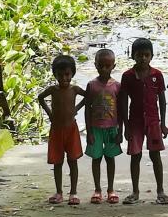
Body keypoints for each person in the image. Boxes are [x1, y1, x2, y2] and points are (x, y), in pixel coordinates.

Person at [119, 38, 168, 205]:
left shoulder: (157, 75)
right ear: (133, 56)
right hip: (135, 122)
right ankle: (135, 191)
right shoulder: (127, 76)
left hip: (153, 121)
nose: (143, 58)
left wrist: (163, 123)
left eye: (146, 55)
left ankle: (161, 190)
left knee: (155, 155)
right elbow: (123, 102)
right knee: (136, 155)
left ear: (152, 56)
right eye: (139, 55)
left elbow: (162, 100)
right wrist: (125, 125)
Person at [38, 55, 86, 205]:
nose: (64, 78)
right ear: (55, 75)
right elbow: (40, 98)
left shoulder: (75, 89)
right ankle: (59, 192)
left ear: (72, 73)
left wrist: (76, 108)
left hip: (71, 129)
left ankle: (73, 192)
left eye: (67, 74)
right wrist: (50, 113)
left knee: (73, 161)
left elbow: (88, 96)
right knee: (57, 162)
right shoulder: (53, 89)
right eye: (60, 75)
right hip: (56, 130)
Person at [84, 49, 123, 204]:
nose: (104, 69)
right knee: (96, 158)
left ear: (114, 66)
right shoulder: (91, 85)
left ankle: (110, 189)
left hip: (112, 128)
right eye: (101, 65)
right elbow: (87, 109)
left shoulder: (117, 86)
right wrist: (89, 132)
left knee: (110, 158)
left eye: (108, 66)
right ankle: (98, 189)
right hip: (96, 128)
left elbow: (121, 110)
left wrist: (121, 131)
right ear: (95, 65)